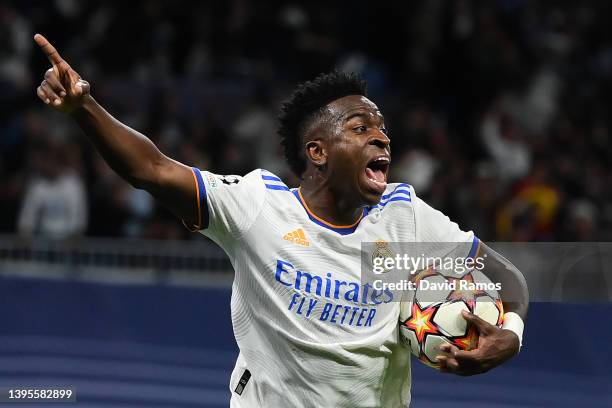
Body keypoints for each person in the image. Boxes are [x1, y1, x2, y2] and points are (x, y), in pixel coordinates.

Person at [33, 34, 528, 407]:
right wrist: (84, 109)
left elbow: (507, 277)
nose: (382, 138)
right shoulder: (258, 207)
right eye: (360, 128)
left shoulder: (404, 215)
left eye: (382, 128)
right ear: (318, 152)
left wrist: (511, 334)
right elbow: (153, 169)